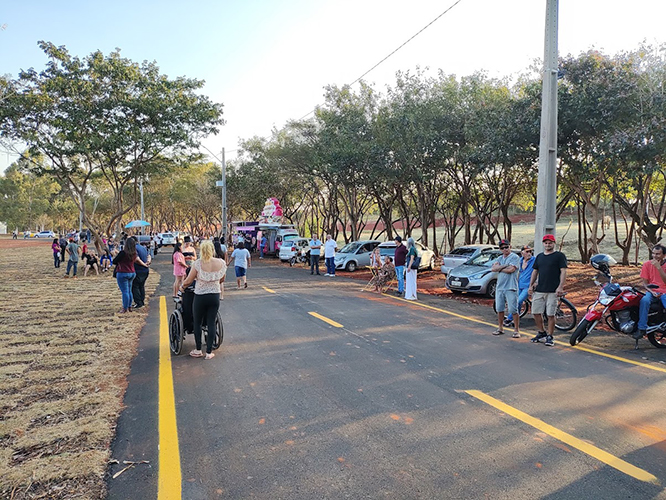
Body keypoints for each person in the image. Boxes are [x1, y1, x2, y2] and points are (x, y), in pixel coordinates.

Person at [180, 240, 227, 360]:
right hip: (215, 295)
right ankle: (209, 352)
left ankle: (198, 349)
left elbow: (189, 280)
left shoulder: (197, 264)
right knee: (211, 322)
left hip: (200, 295)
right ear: (212, 250)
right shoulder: (221, 263)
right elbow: (222, 280)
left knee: (197, 322)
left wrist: (182, 287)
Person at [529, 234, 568, 347]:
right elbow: (535, 271)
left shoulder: (559, 256)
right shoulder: (540, 256)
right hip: (540, 289)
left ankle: (550, 336)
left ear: (553, 243)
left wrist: (560, 286)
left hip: (553, 290)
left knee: (550, 314)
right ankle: (542, 332)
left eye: (550, 242)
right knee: (536, 312)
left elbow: (563, 271)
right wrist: (531, 285)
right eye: (546, 243)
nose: (547, 244)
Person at [634, 244, 666, 340]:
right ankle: (641, 328)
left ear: (664, 255)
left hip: (664, 291)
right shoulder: (647, 265)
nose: (655, 256)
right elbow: (645, 284)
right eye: (653, 253)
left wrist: (659, 268)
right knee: (644, 301)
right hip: (652, 290)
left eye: (658, 254)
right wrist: (651, 292)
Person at [491, 239, 521, 338]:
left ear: (510, 247)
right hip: (500, 287)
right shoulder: (499, 258)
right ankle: (500, 328)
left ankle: (516, 330)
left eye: (506, 247)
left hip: (511, 287)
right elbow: (493, 269)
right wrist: (505, 266)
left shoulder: (515, 257)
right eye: (502, 248)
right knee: (499, 308)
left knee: (513, 309)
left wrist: (500, 268)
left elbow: (511, 270)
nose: (505, 249)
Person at [505, 245, 535, 327]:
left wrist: (533, 284)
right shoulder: (520, 260)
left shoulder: (534, 260)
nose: (529, 253)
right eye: (527, 252)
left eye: (530, 251)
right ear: (522, 253)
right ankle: (514, 320)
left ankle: (509, 318)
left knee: (518, 301)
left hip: (528, 286)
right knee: (517, 302)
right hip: (519, 284)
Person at [113, 237, 142, 313]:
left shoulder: (123, 253)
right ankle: (129, 306)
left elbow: (114, 261)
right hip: (132, 272)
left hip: (122, 272)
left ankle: (125, 308)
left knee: (125, 291)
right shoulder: (134, 253)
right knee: (129, 291)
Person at [132, 236, 151, 308]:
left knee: (135, 286)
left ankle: (138, 302)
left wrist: (144, 264)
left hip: (138, 270)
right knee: (141, 286)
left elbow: (137, 259)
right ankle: (142, 301)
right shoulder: (143, 247)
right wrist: (148, 262)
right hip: (145, 271)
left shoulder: (134, 249)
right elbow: (148, 255)